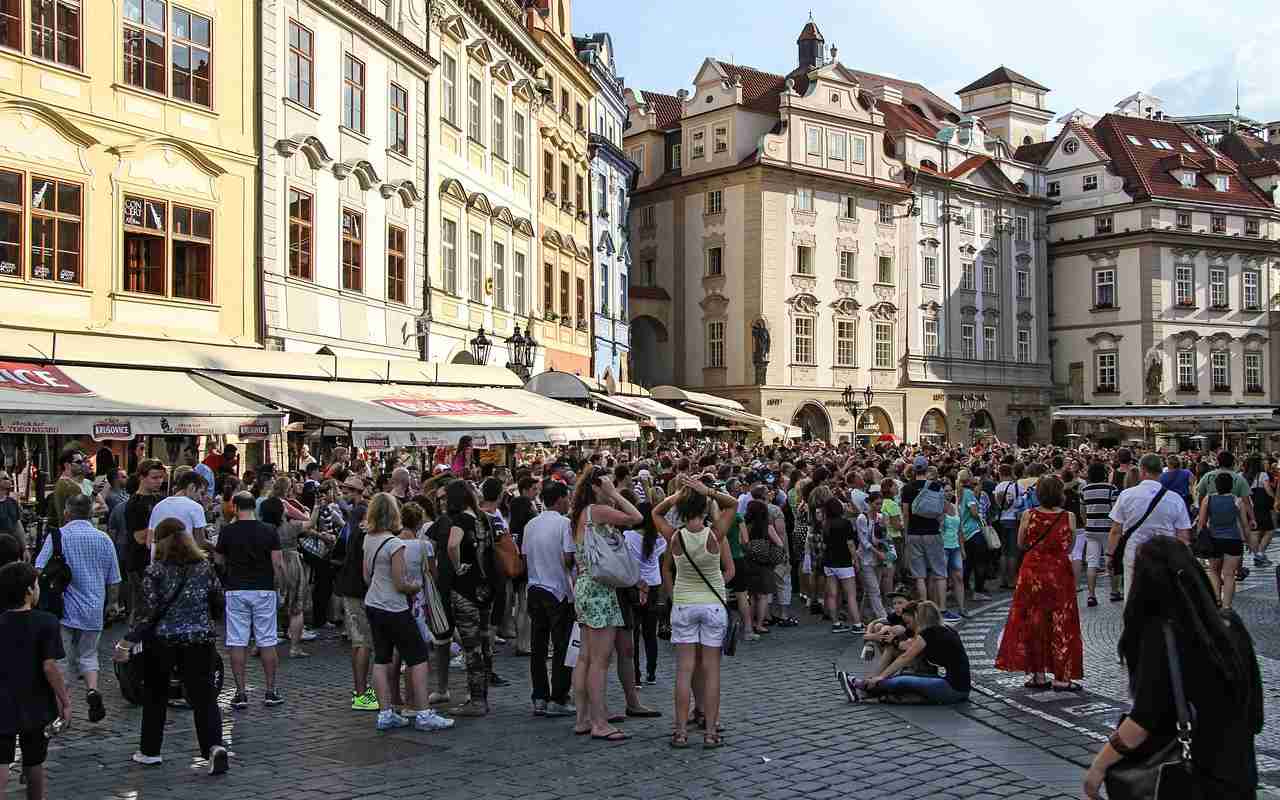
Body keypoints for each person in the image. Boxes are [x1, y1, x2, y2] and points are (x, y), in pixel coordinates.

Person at [1082, 537, 1263, 800]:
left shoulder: (1162, 635)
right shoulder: (1230, 625)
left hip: (1193, 776)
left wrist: (1098, 767)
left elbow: (1144, 719)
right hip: (1239, 774)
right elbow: (1255, 712)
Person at [113, 518, 229, 775]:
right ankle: (214, 747)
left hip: (162, 641)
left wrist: (126, 642)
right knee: (204, 697)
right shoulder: (204, 567)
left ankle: (150, 750)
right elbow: (219, 602)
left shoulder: (156, 571)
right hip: (200, 639)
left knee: (156, 695)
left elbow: (147, 613)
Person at [651, 477, 734, 748]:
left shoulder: (675, 537)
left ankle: (681, 731)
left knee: (684, 671)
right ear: (704, 508)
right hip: (712, 604)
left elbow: (655, 512)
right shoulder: (714, 535)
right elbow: (732, 504)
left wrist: (676, 496)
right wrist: (707, 491)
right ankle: (710, 733)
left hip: (684, 603)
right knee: (711, 671)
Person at [361, 493, 454, 733]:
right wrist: (415, 586)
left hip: (373, 602)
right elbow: (401, 583)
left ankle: (385, 712)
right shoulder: (394, 544)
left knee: (382, 658)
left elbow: (365, 575)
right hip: (395, 606)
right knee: (418, 657)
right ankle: (423, 713)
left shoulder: (369, 539)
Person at [568, 467, 642, 741]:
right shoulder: (596, 511)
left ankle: (583, 718)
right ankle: (599, 722)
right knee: (600, 661)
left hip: (586, 586)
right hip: (599, 589)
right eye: (607, 482)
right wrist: (616, 495)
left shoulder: (581, 513)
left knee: (586, 658)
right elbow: (636, 517)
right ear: (598, 485)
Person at [34, 493, 120, 723]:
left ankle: (64, 709)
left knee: (63, 659)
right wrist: (112, 603)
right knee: (89, 654)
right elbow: (114, 579)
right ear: (91, 513)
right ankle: (92, 689)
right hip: (94, 608)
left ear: (67, 512)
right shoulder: (103, 539)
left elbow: (39, 567)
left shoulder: (58, 536)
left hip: (64, 607)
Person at [995, 475, 1083, 691]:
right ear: (1060, 494)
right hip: (1059, 572)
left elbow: (1021, 543)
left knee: (1033, 620)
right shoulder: (1068, 516)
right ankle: (1062, 676)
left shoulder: (1028, 514)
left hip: (1032, 572)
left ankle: (1037, 675)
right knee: (1061, 621)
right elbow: (1069, 547)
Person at [0, 561, 72, 800]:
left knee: (1, 760)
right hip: (36, 701)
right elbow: (50, 666)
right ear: (30, 591)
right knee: (34, 761)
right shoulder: (46, 621)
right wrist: (64, 700)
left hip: (2, 700)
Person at [214, 492, 284, 709]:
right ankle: (270, 690)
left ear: (235, 507)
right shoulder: (269, 530)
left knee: (237, 640)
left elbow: (218, 559)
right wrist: (280, 586)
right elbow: (278, 564)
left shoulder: (228, 531)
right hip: (264, 588)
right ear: (254, 507)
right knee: (267, 639)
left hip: (236, 589)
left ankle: (240, 692)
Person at [441, 479, 499, 717]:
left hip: (465, 588)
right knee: (484, 644)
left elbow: (452, 545)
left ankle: (476, 700)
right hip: (485, 587)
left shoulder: (460, 520)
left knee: (471, 646)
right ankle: (481, 696)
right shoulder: (483, 518)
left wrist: (457, 567)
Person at [839, 600, 970, 705]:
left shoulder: (930, 633)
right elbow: (906, 648)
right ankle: (864, 690)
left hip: (953, 688)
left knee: (902, 681)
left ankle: (858, 684)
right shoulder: (945, 629)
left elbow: (906, 657)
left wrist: (882, 676)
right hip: (958, 687)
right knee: (907, 684)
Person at [1108, 454, 1192, 604]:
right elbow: (1183, 536)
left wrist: (1110, 555)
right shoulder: (1175, 499)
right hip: (1165, 555)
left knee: (1133, 596)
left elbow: (1115, 530)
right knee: (1164, 599)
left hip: (1134, 552)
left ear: (1143, 471)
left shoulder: (1126, 495)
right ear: (1160, 472)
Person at [330, 475, 377, 711]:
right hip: (358, 586)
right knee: (362, 641)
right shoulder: (360, 514)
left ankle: (362, 690)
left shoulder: (357, 513)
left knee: (361, 641)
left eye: (347, 489)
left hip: (353, 585)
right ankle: (361, 693)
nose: (344, 493)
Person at [1195, 471, 1248, 611]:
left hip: (1213, 540)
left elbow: (1201, 522)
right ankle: (1227, 606)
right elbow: (1244, 523)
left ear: (1216, 486)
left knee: (1213, 571)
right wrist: (1247, 540)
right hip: (1233, 540)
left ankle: (1216, 598)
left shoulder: (1208, 499)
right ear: (1231, 486)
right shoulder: (1237, 500)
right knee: (1229, 574)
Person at [900, 461, 947, 609]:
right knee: (940, 573)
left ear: (914, 470)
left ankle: (923, 609)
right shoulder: (936, 486)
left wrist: (907, 533)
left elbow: (906, 513)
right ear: (927, 469)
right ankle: (942, 609)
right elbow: (942, 510)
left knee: (919, 574)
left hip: (914, 533)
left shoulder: (907, 488)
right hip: (933, 532)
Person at [820, 495, 864, 634]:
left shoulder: (825, 524)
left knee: (832, 594)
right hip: (844, 562)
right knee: (850, 594)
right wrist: (856, 560)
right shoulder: (845, 523)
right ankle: (857, 624)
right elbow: (850, 544)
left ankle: (836, 623)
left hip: (829, 562)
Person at [1079, 462, 1121, 605]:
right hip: (1108, 530)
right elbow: (1115, 510)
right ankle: (1114, 592)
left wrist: (1087, 523)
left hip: (1091, 529)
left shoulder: (1084, 490)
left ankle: (1091, 595)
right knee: (1111, 560)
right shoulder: (1111, 489)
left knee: (1092, 562)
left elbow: (1082, 511)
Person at [147, 470, 209, 550]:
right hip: (183, 559)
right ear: (192, 487)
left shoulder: (158, 506)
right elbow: (200, 543)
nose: (200, 498)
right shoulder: (195, 507)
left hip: (157, 559)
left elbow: (149, 543)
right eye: (201, 493)